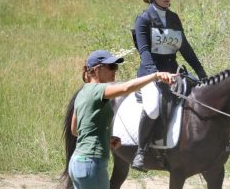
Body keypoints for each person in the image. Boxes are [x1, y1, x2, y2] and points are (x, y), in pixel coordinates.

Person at [131, 0, 207, 171]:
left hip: (174, 73)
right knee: (154, 106)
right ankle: (141, 151)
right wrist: (156, 74)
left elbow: (186, 48)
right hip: (149, 75)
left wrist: (202, 74)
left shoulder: (174, 19)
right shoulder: (143, 20)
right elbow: (144, 51)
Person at [68, 50, 177, 189]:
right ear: (97, 69)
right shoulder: (98, 90)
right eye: (111, 67)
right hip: (92, 164)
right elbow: (126, 87)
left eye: (116, 67)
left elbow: (75, 130)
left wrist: (105, 139)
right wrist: (155, 76)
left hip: (77, 163)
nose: (115, 70)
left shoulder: (83, 92)